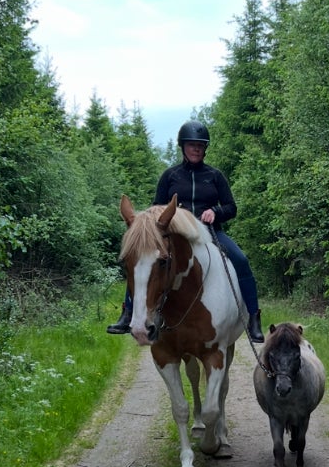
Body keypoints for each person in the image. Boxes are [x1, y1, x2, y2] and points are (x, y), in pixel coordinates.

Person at [107, 120, 264, 341]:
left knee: (241, 260)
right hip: (175, 235)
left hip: (210, 232)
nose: (196, 149)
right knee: (142, 260)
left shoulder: (215, 176)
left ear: (205, 148)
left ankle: (254, 318)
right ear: (183, 146)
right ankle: (128, 313)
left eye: (200, 145)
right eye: (192, 145)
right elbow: (156, 208)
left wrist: (215, 212)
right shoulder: (170, 176)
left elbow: (231, 207)